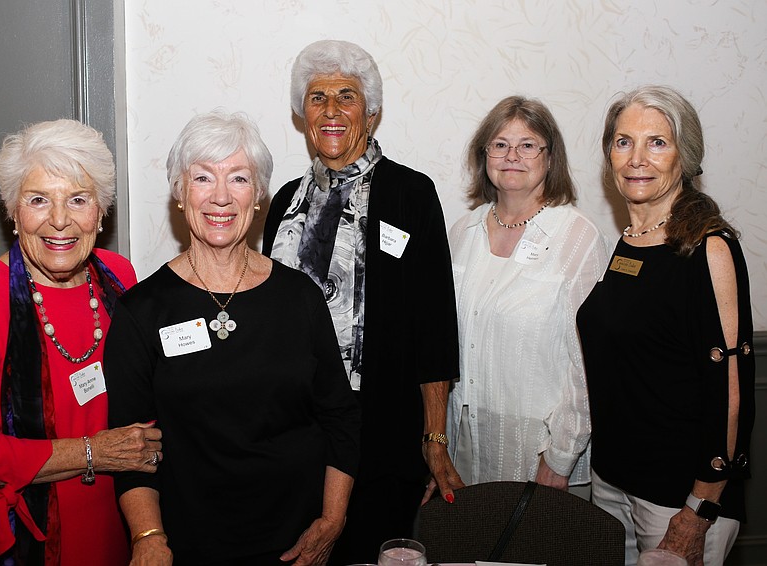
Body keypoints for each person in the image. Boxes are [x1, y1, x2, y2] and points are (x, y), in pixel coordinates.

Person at [105, 110, 360, 566]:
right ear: (180, 193)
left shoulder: (301, 297)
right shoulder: (141, 310)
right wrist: (148, 536)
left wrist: (332, 520)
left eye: (239, 178)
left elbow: (340, 417)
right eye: (203, 178)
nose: (220, 197)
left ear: (258, 195)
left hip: (297, 544)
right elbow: (130, 445)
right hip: (186, 546)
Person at [0, 119, 163, 565]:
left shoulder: (118, 277)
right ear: (13, 212)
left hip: (112, 521)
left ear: (100, 211)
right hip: (19, 535)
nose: (59, 220)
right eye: (38, 200)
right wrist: (94, 452)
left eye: (78, 199)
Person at [262, 40, 462, 564]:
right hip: (294, 429)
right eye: (317, 98)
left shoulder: (411, 194)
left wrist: (434, 436)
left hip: (382, 429)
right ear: (303, 114)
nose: (331, 110)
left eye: (346, 97)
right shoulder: (283, 202)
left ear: (370, 113)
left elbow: (434, 325)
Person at [577, 85, 755, 566]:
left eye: (657, 142)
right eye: (623, 142)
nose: (637, 158)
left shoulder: (710, 248)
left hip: (678, 499)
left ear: (685, 156)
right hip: (612, 481)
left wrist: (699, 510)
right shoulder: (629, 240)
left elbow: (731, 391)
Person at [446, 96, 609, 491]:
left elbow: (588, 364)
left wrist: (561, 456)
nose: (512, 156)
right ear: (484, 155)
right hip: (463, 443)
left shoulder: (577, 237)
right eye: (500, 144)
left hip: (540, 453)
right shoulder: (462, 232)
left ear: (550, 158)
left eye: (528, 145)